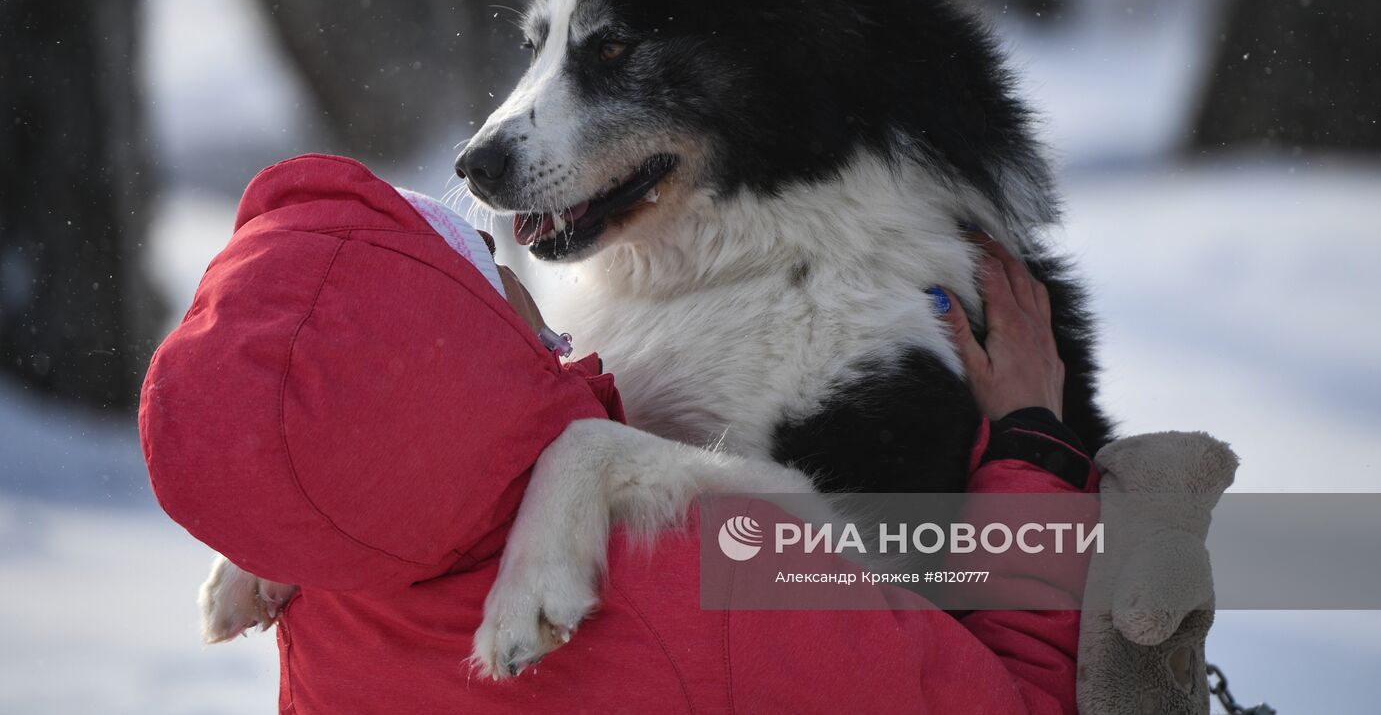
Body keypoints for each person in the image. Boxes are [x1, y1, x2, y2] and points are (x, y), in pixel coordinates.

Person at [140, 154, 1099, 714]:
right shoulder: (697, 571)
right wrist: (1034, 448)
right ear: (472, 335)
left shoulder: (326, 620)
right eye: (488, 268)